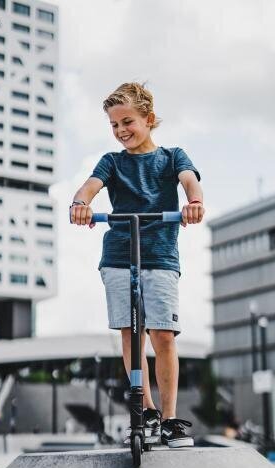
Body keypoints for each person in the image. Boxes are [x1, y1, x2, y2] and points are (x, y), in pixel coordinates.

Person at [70, 82, 204, 448]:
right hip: (118, 255)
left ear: (148, 118)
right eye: (114, 125)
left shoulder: (173, 157)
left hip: (159, 254)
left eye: (127, 121)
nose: (121, 131)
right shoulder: (112, 162)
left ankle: (170, 419)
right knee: (131, 334)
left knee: (162, 335)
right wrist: (80, 204)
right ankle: (145, 409)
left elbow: (190, 181)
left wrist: (193, 202)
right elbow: (89, 187)